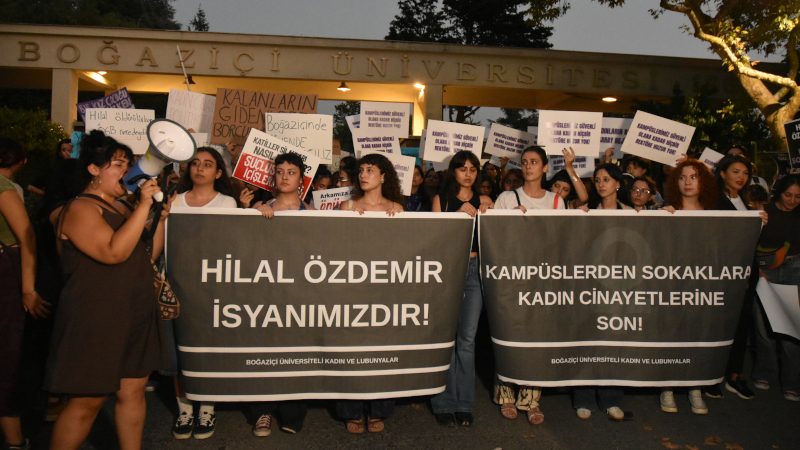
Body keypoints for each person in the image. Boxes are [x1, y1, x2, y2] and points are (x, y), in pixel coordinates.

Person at [44, 130, 169, 450]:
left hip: (132, 311)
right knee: (88, 401)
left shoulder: (123, 208)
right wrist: (142, 207)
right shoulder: (79, 209)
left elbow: (146, 255)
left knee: (133, 392)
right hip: (96, 316)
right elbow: (113, 253)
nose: (127, 171)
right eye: (118, 164)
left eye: (129, 164)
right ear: (93, 169)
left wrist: (159, 219)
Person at [169, 147, 237, 440]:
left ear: (218, 173)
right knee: (180, 349)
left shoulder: (227, 203)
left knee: (207, 347)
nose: (200, 168)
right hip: (177, 283)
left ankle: (207, 407)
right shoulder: (174, 200)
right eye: (195, 163)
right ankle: (184, 409)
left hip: (211, 286)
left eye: (208, 164)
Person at [492, 146, 562, 425]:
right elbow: (494, 237)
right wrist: (510, 221)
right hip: (511, 278)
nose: (528, 166)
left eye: (534, 162)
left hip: (543, 279)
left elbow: (560, 239)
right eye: (524, 162)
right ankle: (505, 394)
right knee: (508, 333)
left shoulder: (556, 201)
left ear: (545, 167)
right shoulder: (507, 198)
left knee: (538, 338)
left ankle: (531, 399)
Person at [337, 153, 404, 433]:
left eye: (370, 170)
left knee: (382, 348)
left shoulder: (397, 208)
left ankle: (379, 409)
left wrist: (400, 223)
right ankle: (352, 410)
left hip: (384, 291)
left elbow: (406, 251)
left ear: (384, 176)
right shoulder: (347, 206)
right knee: (352, 349)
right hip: (353, 289)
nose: (363, 175)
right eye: (361, 170)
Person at [249, 152, 314, 437]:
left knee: (297, 353)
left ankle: (292, 412)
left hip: (300, 295)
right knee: (265, 351)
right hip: (267, 293)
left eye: (291, 172)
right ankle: (262, 411)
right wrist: (253, 216)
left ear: (301, 179)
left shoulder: (313, 213)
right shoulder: (260, 208)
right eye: (279, 171)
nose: (284, 176)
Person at [431, 151, 493, 427]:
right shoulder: (441, 200)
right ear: (453, 171)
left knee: (467, 340)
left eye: (472, 169)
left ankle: (465, 403)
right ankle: (444, 402)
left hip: (476, 271)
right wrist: (455, 217)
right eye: (462, 168)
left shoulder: (486, 201)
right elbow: (435, 239)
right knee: (447, 338)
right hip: (449, 270)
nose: (468, 174)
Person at [1, 138, 50, 450]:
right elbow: (26, 236)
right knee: (10, 354)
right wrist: (28, 289)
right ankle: (15, 440)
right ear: (21, 161)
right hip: (7, 274)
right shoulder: (5, 188)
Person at [659, 158, 719, 414]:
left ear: (703, 181)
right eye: (682, 177)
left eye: (693, 177)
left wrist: (757, 220)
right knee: (672, 335)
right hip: (672, 286)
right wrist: (661, 219)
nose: (687, 182)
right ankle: (667, 387)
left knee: (697, 337)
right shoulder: (666, 210)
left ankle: (695, 388)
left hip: (702, 287)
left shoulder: (716, 213)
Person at [574, 163, 629, 421]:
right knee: (586, 340)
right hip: (589, 288)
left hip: (619, 289)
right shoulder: (587, 212)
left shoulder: (632, 213)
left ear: (618, 183)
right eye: (597, 180)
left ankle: (611, 399)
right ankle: (583, 398)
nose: (601, 184)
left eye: (606, 179)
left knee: (613, 343)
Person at [710, 153, 766, 400]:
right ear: (722, 174)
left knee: (740, 326)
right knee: (717, 326)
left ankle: (734, 375)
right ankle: (711, 376)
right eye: (735, 172)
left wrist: (760, 221)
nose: (741, 177)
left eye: (745, 173)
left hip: (745, 273)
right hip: (722, 273)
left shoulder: (748, 202)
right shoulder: (713, 201)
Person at [752, 174, 800, 402]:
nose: (792, 200)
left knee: (792, 328)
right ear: (778, 192)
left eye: (798, 196)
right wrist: (758, 270)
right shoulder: (764, 211)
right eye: (788, 195)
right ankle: (764, 373)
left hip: (795, 270)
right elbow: (750, 241)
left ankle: (792, 382)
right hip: (766, 270)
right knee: (764, 327)